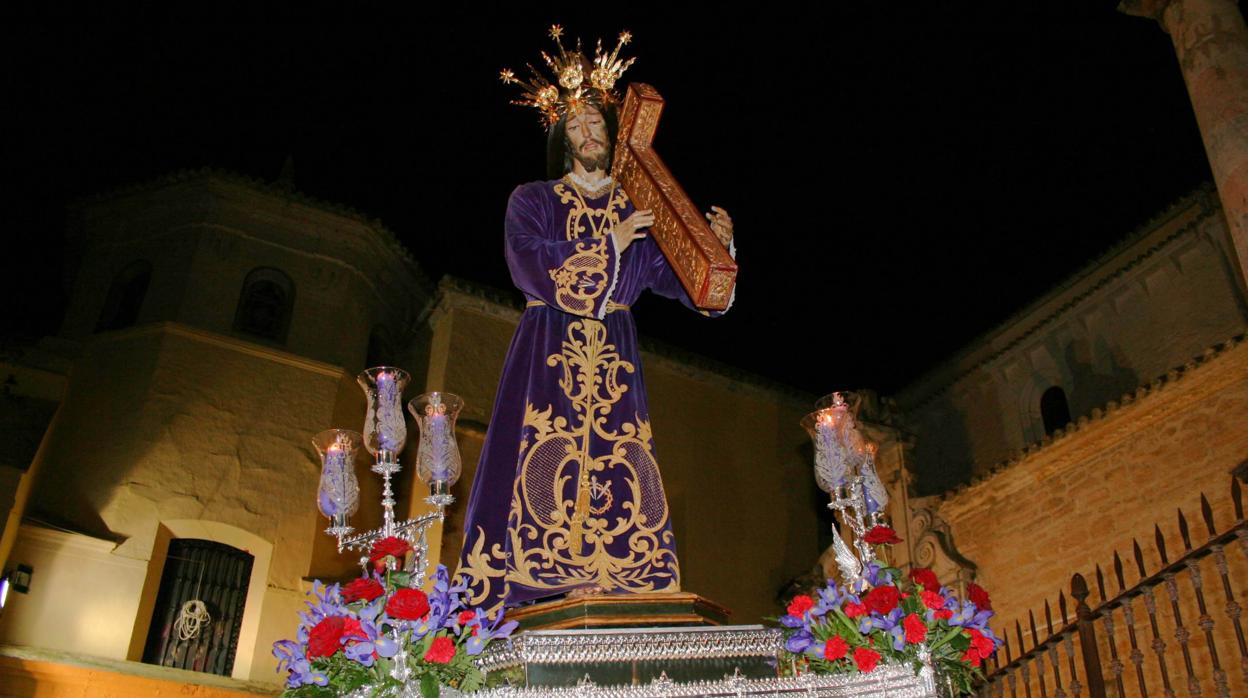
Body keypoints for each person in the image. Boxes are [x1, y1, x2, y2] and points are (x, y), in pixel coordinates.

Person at [456, 28, 735, 615]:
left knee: (620, 457)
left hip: (615, 355)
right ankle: (540, 579)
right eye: (577, 127)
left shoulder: (640, 207)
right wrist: (608, 245)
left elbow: (680, 280)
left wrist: (716, 251)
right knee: (541, 453)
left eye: (598, 126)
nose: (589, 134)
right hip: (548, 346)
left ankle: (619, 576)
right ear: (563, 139)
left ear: (612, 138)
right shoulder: (532, 198)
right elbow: (528, 265)